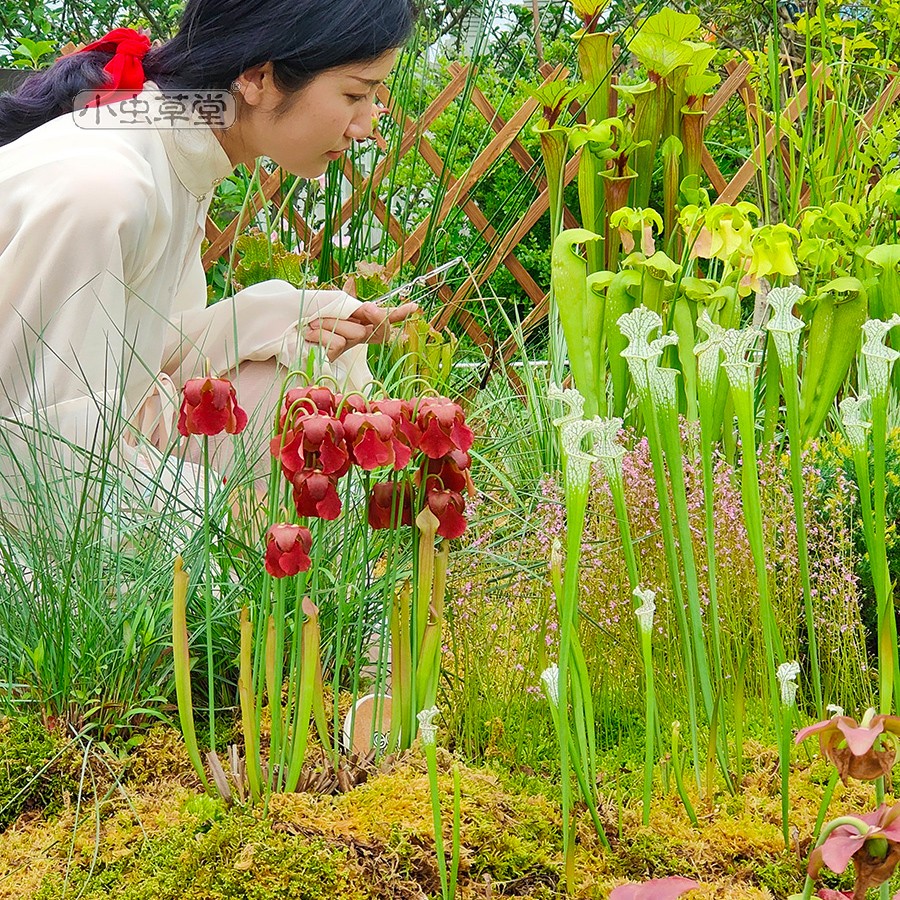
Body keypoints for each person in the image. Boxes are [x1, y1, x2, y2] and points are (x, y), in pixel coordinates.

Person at [0, 0, 419, 515]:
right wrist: (226, 516)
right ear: (258, 78)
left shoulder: (175, 145)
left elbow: (138, 351)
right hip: (37, 490)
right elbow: (39, 457)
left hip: (89, 443)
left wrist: (294, 314)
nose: (367, 125)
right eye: (356, 93)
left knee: (303, 384)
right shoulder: (102, 189)